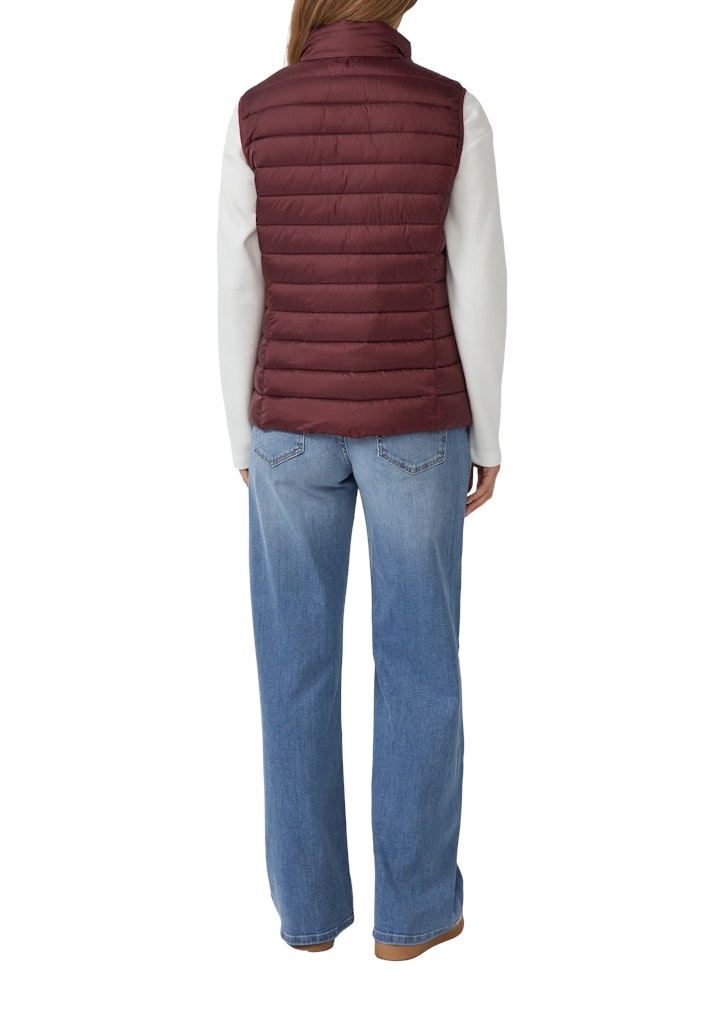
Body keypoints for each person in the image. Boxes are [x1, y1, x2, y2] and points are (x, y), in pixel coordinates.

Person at [217, 0, 507, 961]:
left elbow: (238, 283)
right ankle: (414, 916)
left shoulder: (257, 110)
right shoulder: (452, 109)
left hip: (286, 431)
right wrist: (488, 430)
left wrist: (243, 437)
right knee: (421, 662)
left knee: (291, 669)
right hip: (417, 422)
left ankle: (309, 915)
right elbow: (478, 281)